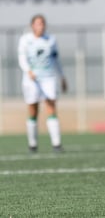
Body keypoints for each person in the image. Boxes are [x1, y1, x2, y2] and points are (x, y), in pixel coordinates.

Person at [18, 14, 67, 153]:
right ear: (32, 25)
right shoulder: (25, 40)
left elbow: (56, 60)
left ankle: (56, 144)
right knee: (33, 109)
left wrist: (62, 76)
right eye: (38, 23)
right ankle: (32, 145)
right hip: (31, 79)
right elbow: (22, 58)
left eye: (43, 23)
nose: (41, 26)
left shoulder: (51, 40)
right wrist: (28, 71)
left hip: (49, 78)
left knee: (51, 106)